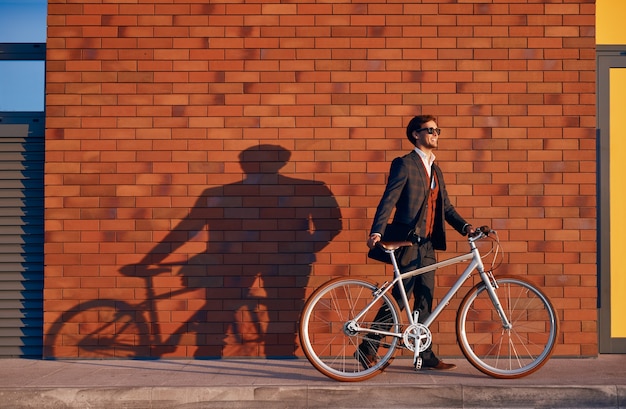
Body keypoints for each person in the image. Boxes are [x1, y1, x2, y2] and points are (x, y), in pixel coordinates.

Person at [356, 115, 474, 370]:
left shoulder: (436, 168)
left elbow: (446, 208)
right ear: (415, 135)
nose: (436, 134)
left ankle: (423, 353)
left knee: (425, 298)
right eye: (430, 130)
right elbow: (389, 198)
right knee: (400, 298)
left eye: (437, 130)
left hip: (428, 245)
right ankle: (368, 347)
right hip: (407, 242)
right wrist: (377, 232)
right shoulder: (404, 164)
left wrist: (466, 228)